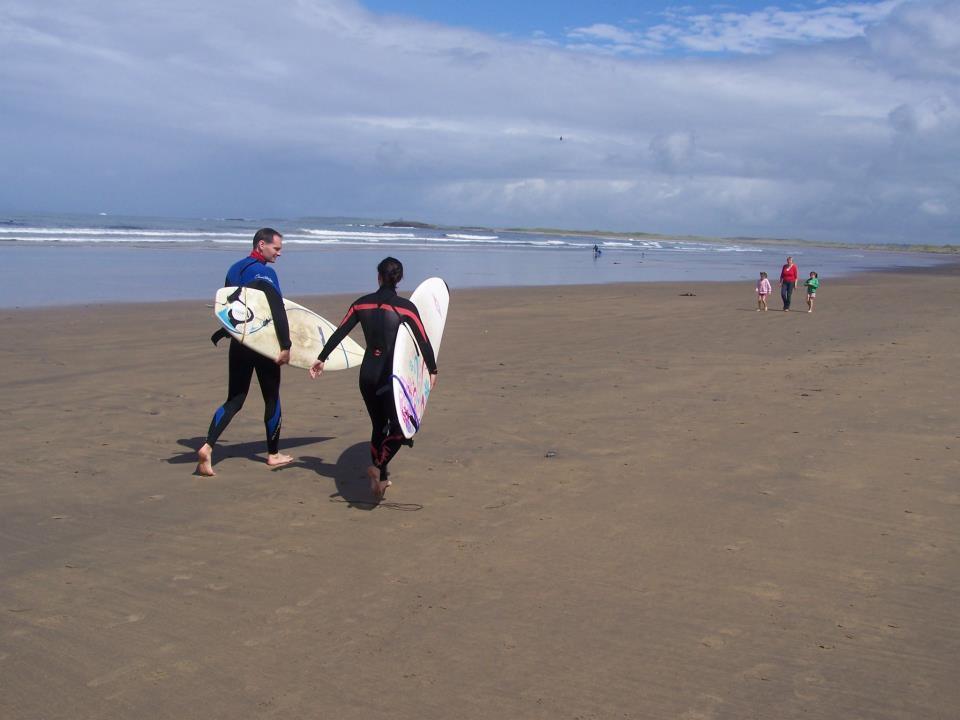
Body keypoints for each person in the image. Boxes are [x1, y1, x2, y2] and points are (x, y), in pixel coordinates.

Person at [309, 257, 438, 500]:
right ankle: (378, 467)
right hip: (392, 378)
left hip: (367, 375)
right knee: (401, 430)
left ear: (378, 276)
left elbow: (340, 331)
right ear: (399, 279)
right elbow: (423, 340)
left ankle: (380, 479)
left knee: (379, 425)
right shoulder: (406, 308)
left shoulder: (361, 304)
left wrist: (322, 358)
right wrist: (433, 370)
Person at [196, 228, 293, 476]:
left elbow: (229, 309)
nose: (280, 253)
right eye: (277, 248)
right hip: (263, 345)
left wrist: (223, 333)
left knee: (235, 399)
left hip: (240, 344)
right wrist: (286, 346)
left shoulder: (235, 268)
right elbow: (278, 311)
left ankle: (207, 447)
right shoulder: (266, 273)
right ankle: (273, 454)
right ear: (262, 245)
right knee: (271, 398)